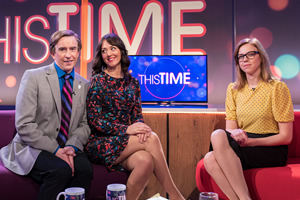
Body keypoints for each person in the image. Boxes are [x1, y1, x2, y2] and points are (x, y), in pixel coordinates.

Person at [85, 33, 185, 200]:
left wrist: (140, 128)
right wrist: (127, 129)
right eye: (104, 50)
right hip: (100, 142)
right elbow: (94, 120)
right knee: (151, 139)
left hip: (123, 142)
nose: (109, 53)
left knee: (145, 161)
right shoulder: (98, 81)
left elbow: (137, 115)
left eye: (112, 48)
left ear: (121, 51)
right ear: (101, 56)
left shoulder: (133, 83)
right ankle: (176, 197)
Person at [0, 30, 93, 200]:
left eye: (73, 49)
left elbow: (85, 124)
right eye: (62, 49)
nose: (68, 55)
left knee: (85, 169)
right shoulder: (33, 77)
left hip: (68, 146)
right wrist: (56, 150)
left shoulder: (84, 84)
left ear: (78, 52)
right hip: (33, 146)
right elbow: (24, 125)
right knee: (60, 170)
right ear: (52, 52)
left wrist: (71, 147)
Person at [203, 38, 294, 200]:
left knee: (217, 136)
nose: (245, 59)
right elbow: (230, 128)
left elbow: (286, 137)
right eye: (240, 56)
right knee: (210, 157)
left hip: (270, 148)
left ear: (261, 57)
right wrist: (237, 135)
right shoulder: (234, 89)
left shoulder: (277, 88)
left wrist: (251, 141)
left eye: (250, 54)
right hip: (243, 143)